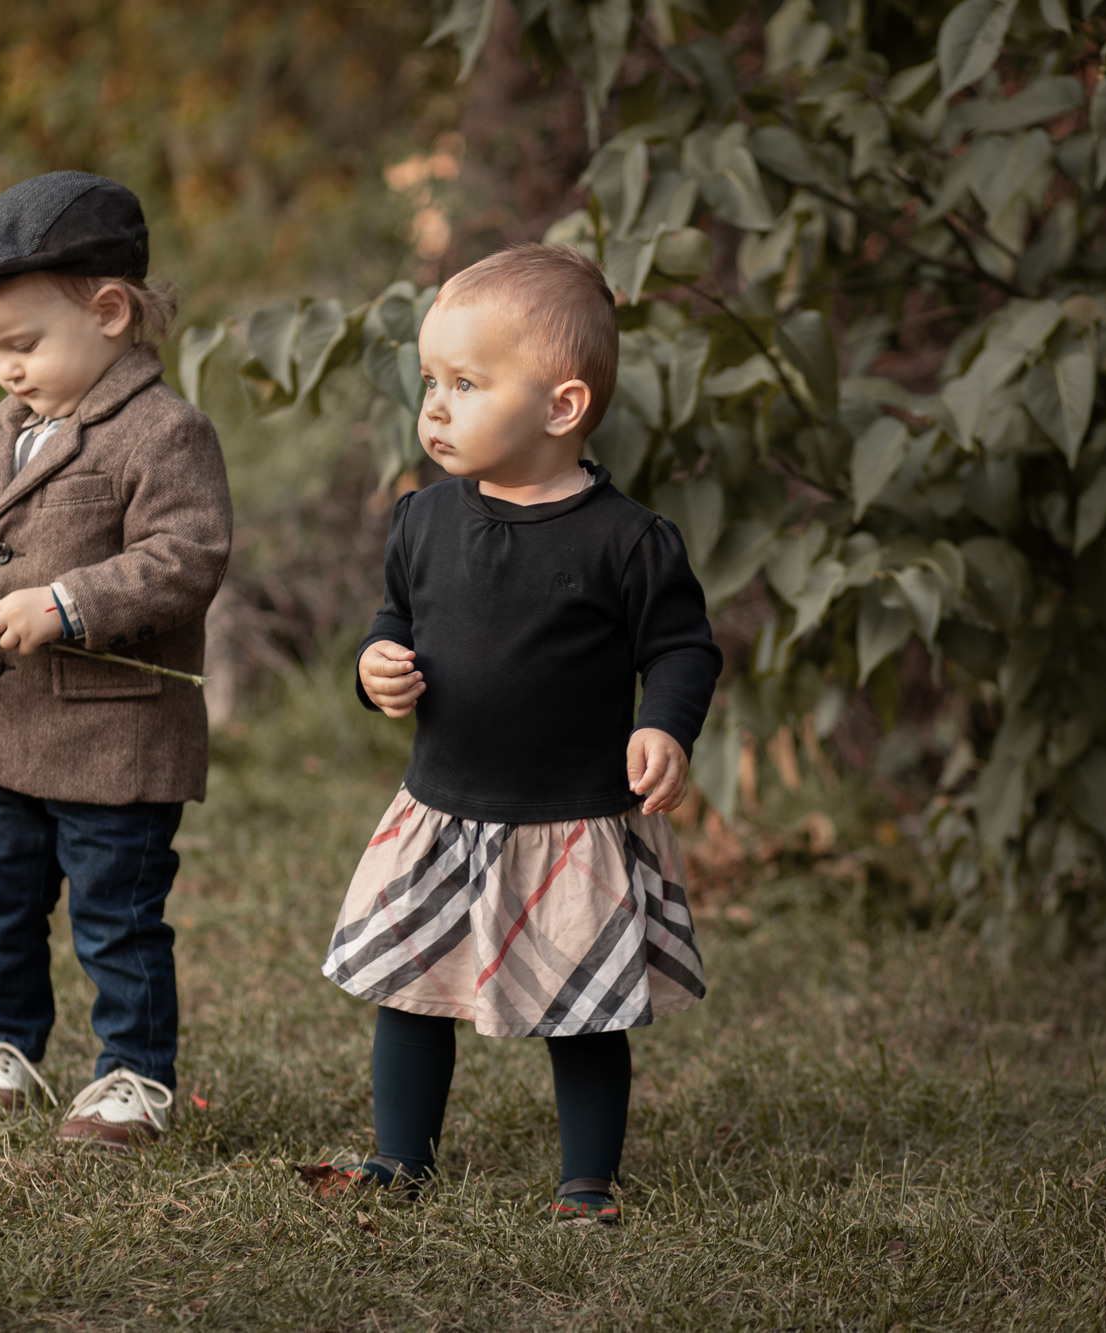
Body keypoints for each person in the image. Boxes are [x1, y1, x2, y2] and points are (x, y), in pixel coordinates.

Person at [309, 243, 721, 1222]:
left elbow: (681, 648)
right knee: (411, 990)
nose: (435, 407)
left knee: (584, 1010)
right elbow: (395, 618)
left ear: (560, 407)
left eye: (466, 383)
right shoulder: (421, 521)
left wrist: (664, 726)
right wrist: (376, 666)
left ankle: (586, 1181)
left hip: (570, 821)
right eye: (430, 383)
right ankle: (401, 1156)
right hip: (443, 809)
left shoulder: (625, 541)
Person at [0, 171, 231, 1149]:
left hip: (113, 739)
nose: (5, 371)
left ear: (109, 312)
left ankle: (132, 1073)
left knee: (116, 915)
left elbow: (187, 556)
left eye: (22, 345)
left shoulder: (163, 432)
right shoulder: (7, 428)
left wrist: (70, 603)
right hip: (6, 734)